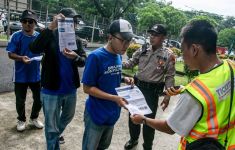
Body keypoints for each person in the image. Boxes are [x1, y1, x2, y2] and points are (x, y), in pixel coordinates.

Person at [131, 20, 235, 150]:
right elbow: (215, 90)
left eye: (182, 49)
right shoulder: (231, 66)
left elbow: (170, 127)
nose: (183, 56)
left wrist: (143, 120)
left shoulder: (194, 93)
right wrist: (183, 88)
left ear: (194, 49)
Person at [29, 8, 86, 150]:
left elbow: (83, 61)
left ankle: (53, 135)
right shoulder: (50, 35)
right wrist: (50, 27)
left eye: (75, 21)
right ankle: (52, 142)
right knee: (50, 126)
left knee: (67, 117)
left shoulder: (76, 40)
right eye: (70, 20)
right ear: (61, 21)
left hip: (70, 90)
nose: (73, 24)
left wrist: (76, 57)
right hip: (51, 91)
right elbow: (34, 48)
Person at [82, 19, 135, 150]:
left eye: (128, 41)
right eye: (123, 40)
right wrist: (114, 98)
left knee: (103, 146)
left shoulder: (118, 55)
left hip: (112, 113)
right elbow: (87, 88)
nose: (126, 45)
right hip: (96, 113)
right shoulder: (95, 57)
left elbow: (109, 74)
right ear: (110, 37)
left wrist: (124, 79)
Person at [123, 24, 176, 150]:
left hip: (152, 92)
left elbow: (169, 77)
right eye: (151, 34)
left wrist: (168, 97)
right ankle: (133, 139)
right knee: (133, 117)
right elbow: (130, 63)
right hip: (137, 88)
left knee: (149, 122)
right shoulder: (143, 49)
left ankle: (147, 146)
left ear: (163, 37)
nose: (152, 37)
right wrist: (116, 59)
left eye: (156, 35)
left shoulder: (168, 55)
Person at [6, 10, 44, 132]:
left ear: (35, 23)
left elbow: (44, 52)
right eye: (25, 21)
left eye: (31, 21)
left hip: (35, 75)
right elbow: (10, 54)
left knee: (39, 99)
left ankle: (34, 118)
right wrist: (21, 58)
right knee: (20, 100)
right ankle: (21, 119)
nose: (27, 24)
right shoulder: (16, 36)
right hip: (20, 74)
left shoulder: (39, 37)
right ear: (21, 22)